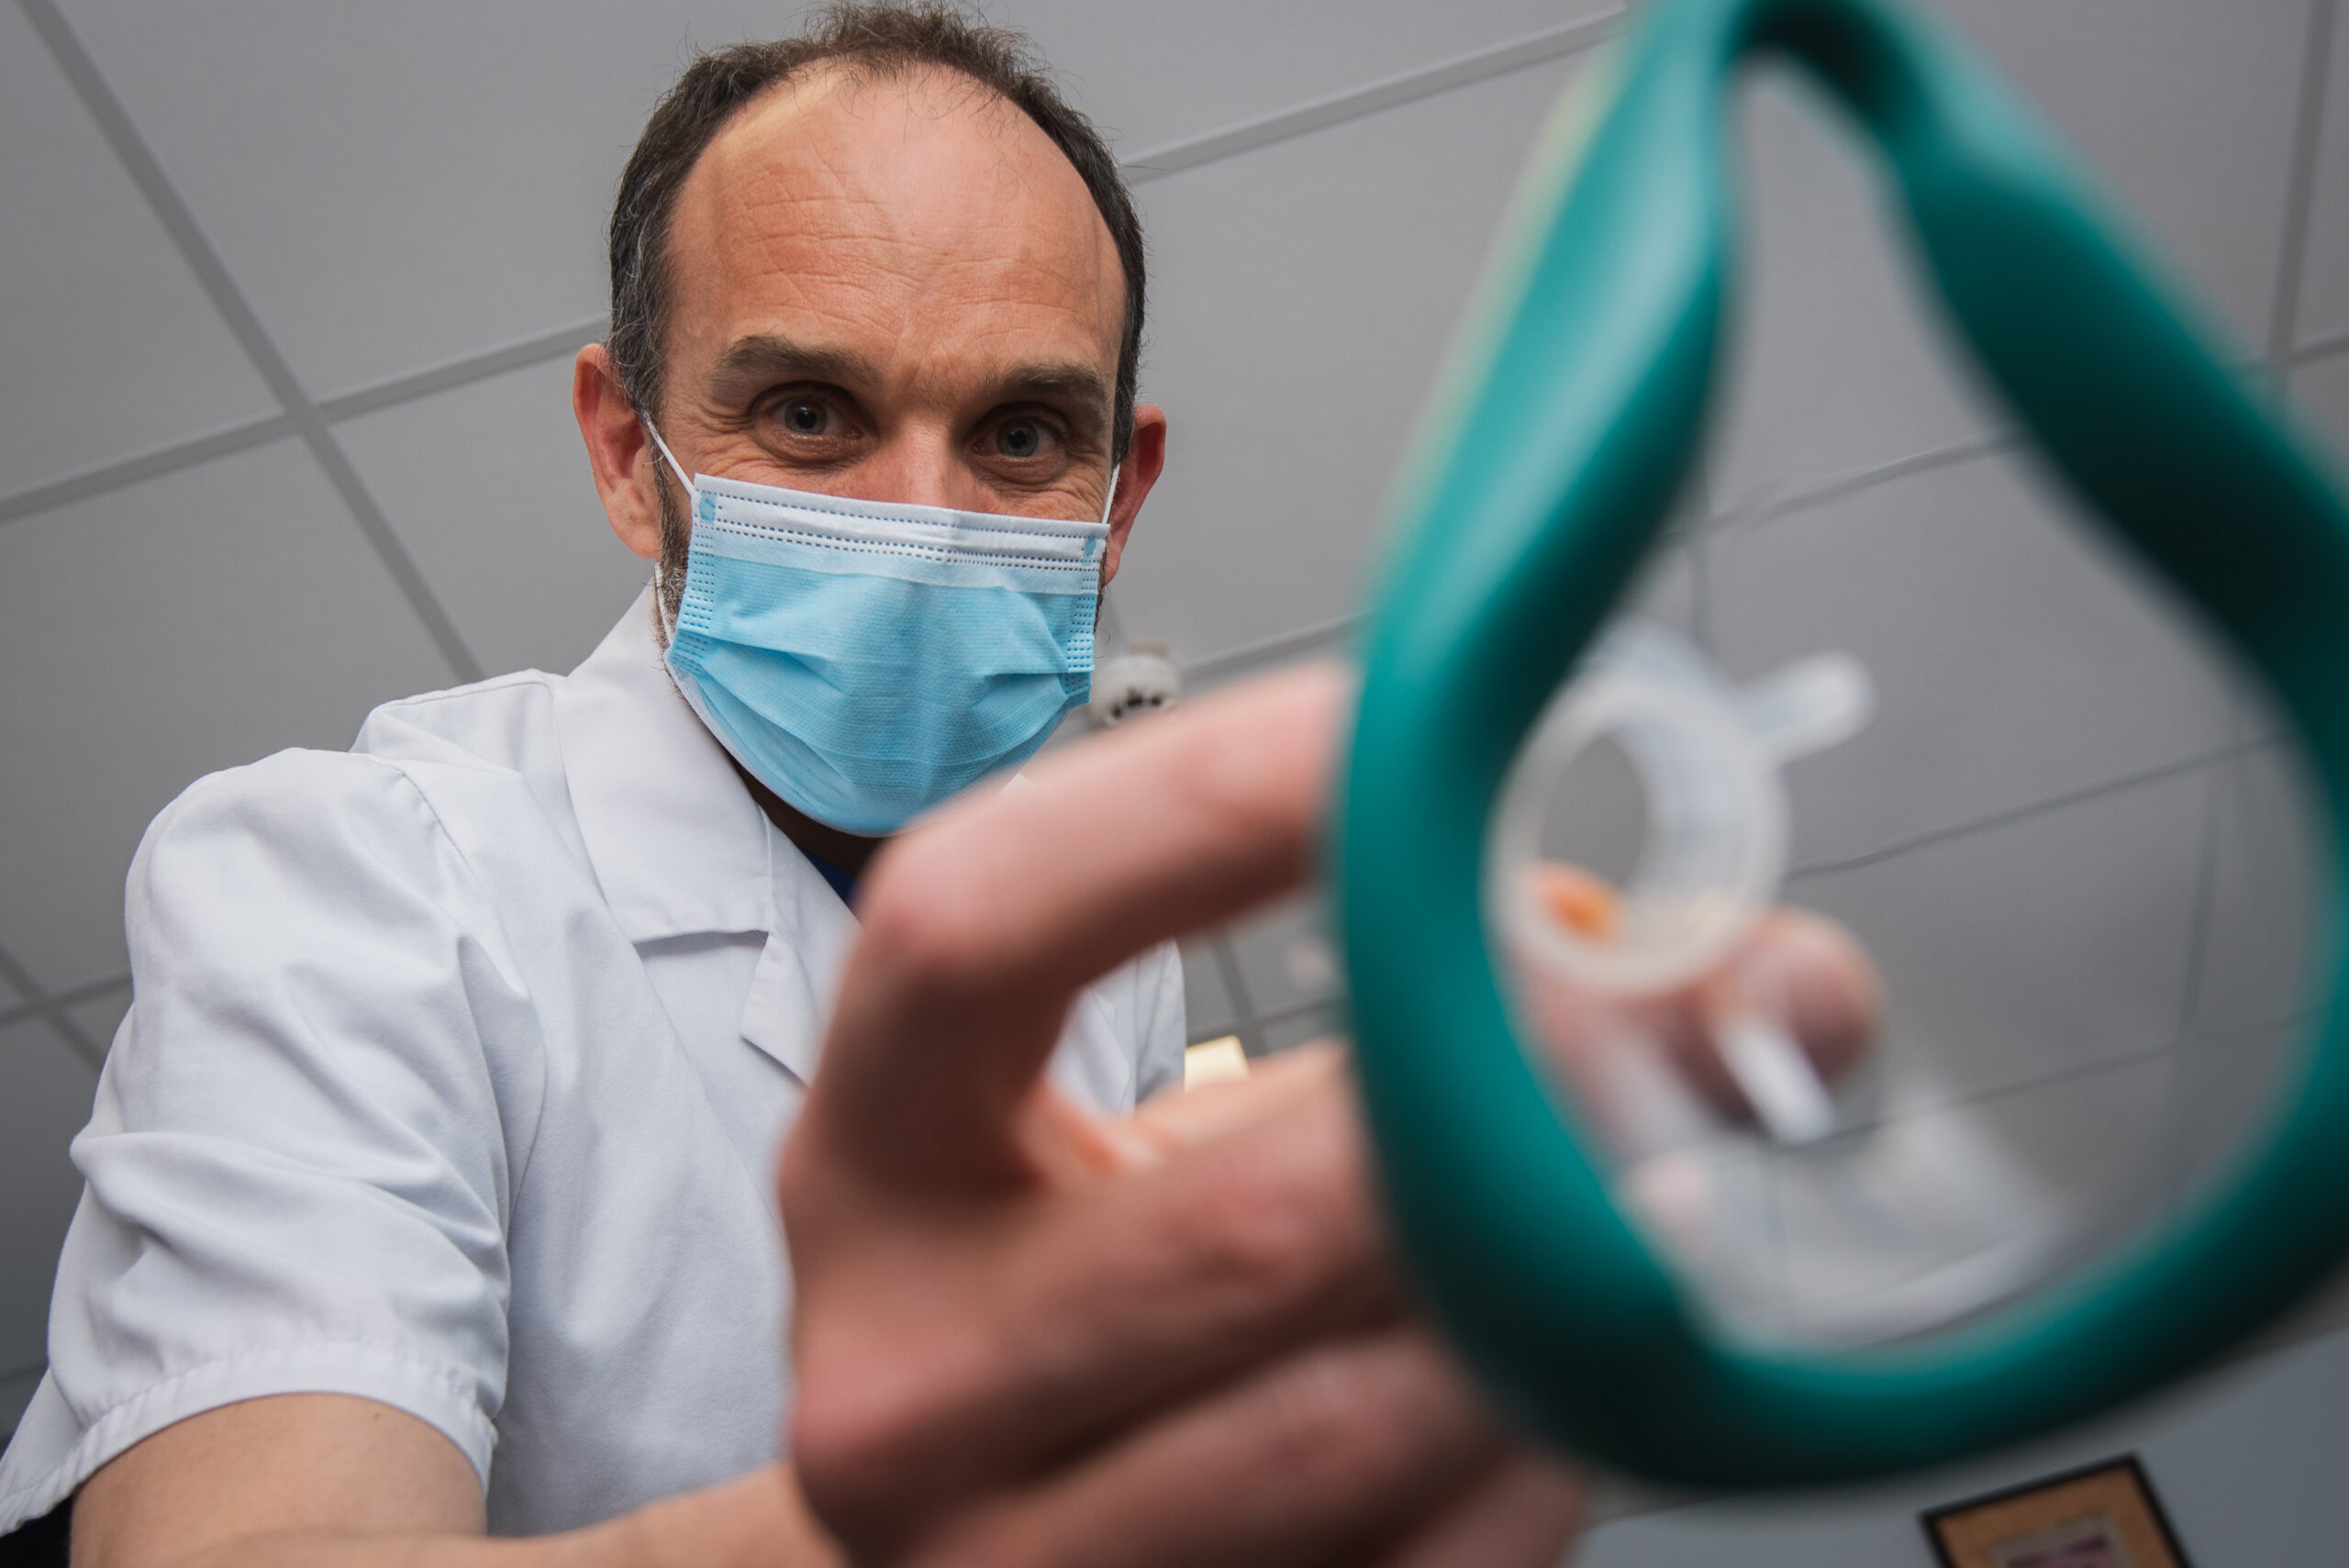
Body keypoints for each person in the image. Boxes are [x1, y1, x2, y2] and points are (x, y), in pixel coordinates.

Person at [0, 6, 1876, 1564]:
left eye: (1017, 434)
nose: (915, 523)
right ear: (624, 449)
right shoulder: (355, 875)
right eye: (806, 413)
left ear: (1118, 490)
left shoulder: (1115, 981)